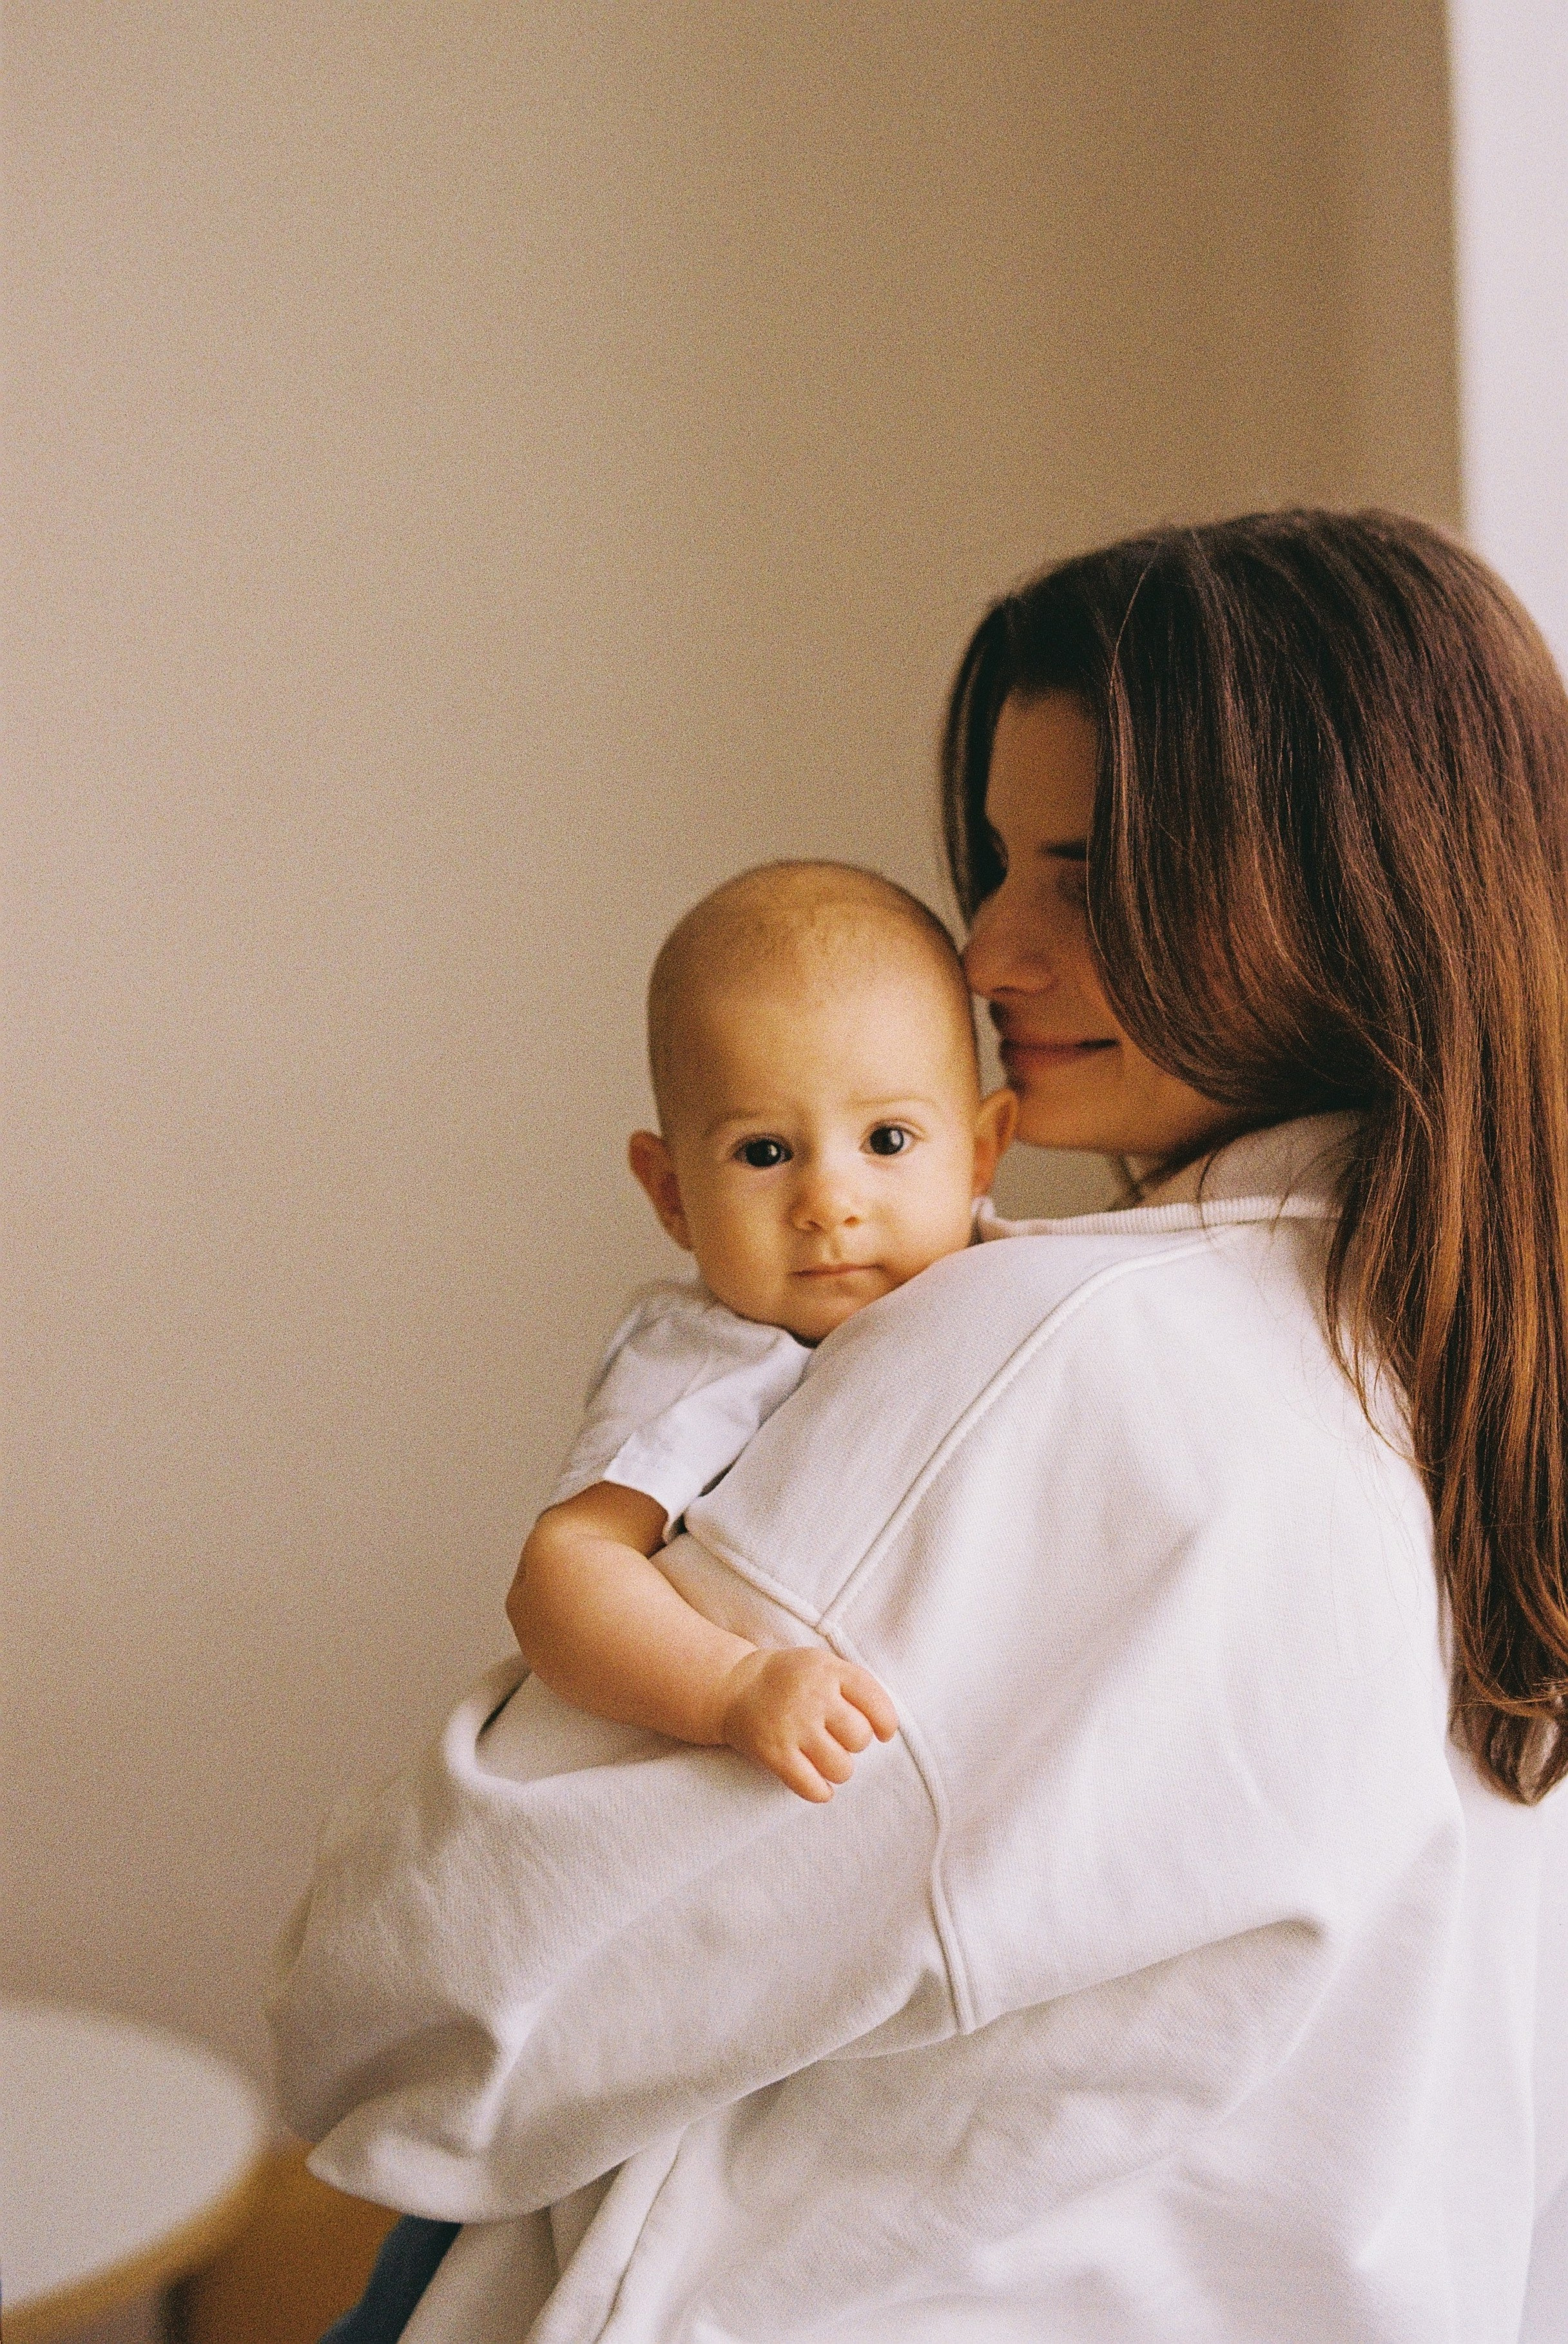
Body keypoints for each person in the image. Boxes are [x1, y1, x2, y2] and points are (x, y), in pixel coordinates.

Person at [273, 510, 1568, 2343]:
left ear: (1353, 884)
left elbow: (406, 2011)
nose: (991, 945)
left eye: (1095, 875)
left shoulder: (1072, 1360)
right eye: (996, 862)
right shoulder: (1476, 1392)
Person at [508, 860, 1013, 1804]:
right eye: (764, 1152)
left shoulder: (1020, 1284)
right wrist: (730, 1685)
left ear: (981, 1152)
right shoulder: (712, 1354)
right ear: (670, 1193)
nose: (828, 1202)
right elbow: (560, 1576)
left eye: (887, 1140)